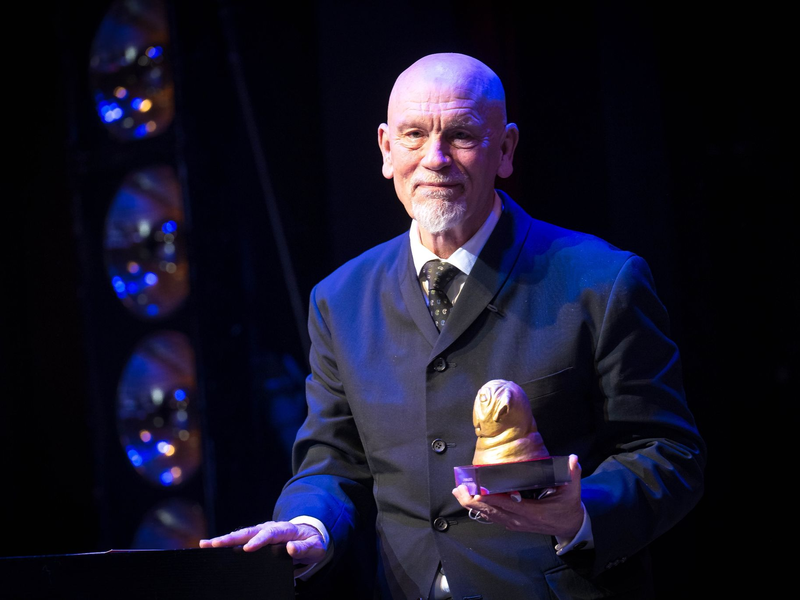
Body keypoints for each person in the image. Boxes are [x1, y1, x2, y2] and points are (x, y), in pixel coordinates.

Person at [200, 52, 706, 599]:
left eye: (461, 135)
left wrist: (577, 513)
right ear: (386, 150)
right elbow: (332, 462)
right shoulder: (340, 298)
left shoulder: (602, 281)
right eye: (414, 135)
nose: (435, 159)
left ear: (506, 149)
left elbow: (668, 453)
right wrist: (308, 526)